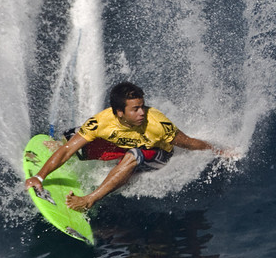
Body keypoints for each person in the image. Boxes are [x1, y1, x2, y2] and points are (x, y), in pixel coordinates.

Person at [26, 81, 232, 212]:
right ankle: (56, 157)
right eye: (135, 109)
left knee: (134, 154)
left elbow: (189, 142)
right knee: (72, 138)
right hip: (121, 144)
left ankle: (90, 199)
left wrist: (219, 151)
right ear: (119, 112)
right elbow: (68, 149)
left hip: (156, 153)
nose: (142, 112)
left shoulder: (158, 125)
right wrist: (40, 176)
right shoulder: (101, 121)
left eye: (142, 106)